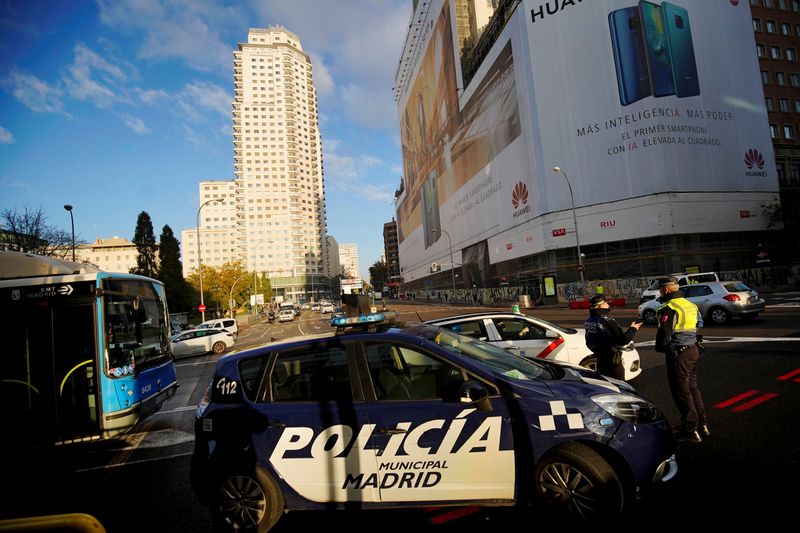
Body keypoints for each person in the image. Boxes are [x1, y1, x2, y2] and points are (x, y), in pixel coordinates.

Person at [655, 277, 709, 443]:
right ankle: (702, 424)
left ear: (666, 290)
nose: (659, 292)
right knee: (693, 388)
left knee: (681, 391)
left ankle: (690, 429)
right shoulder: (689, 304)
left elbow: (665, 334)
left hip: (679, 353)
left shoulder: (669, 307)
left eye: (660, 289)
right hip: (693, 349)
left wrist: (663, 347)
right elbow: (699, 322)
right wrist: (689, 337)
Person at [584, 295, 642, 380]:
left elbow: (588, 342)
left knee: (606, 385)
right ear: (601, 305)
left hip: (600, 361)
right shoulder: (607, 321)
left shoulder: (589, 321)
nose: (608, 304)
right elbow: (622, 340)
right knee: (619, 387)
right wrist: (633, 329)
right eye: (606, 303)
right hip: (613, 362)